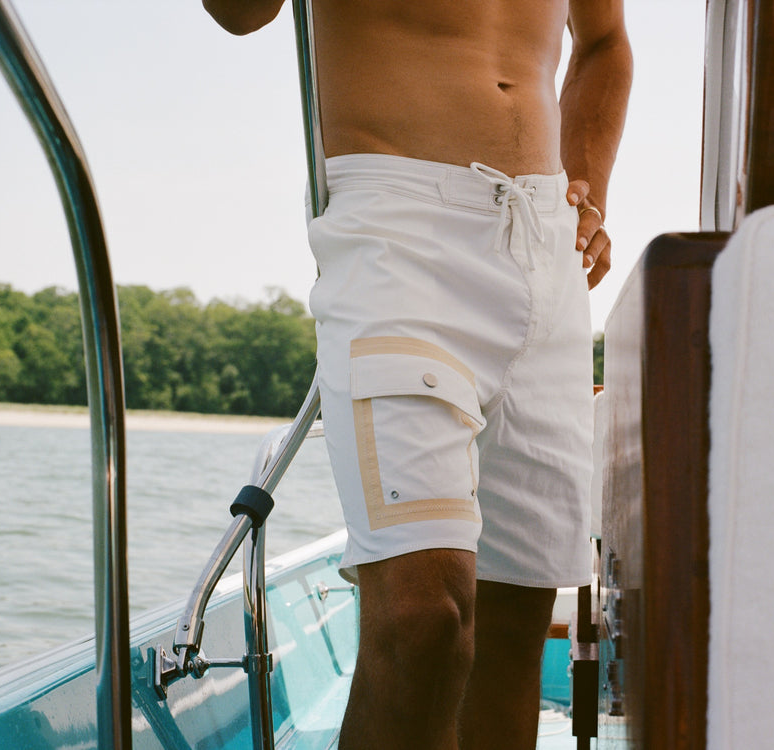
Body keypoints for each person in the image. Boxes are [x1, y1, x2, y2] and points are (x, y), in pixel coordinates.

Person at [203, 1, 632, 747]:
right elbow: (238, 13)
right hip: (400, 233)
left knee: (508, 637)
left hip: (545, 248)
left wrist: (585, 188)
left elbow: (603, 40)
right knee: (423, 624)